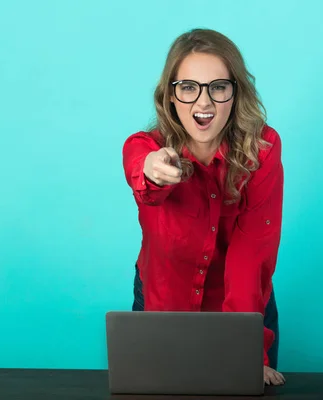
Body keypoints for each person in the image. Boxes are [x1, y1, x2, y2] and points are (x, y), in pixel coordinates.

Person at [122, 28, 285, 386]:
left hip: (244, 306)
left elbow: (251, 254)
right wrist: (153, 170)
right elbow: (142, 172)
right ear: (170, 95)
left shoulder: (263, 149)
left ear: (235, 92)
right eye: (189, 87)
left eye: (218, 87)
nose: (204, 102)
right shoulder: (145, 146)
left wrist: (246, 352)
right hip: (163, 302)